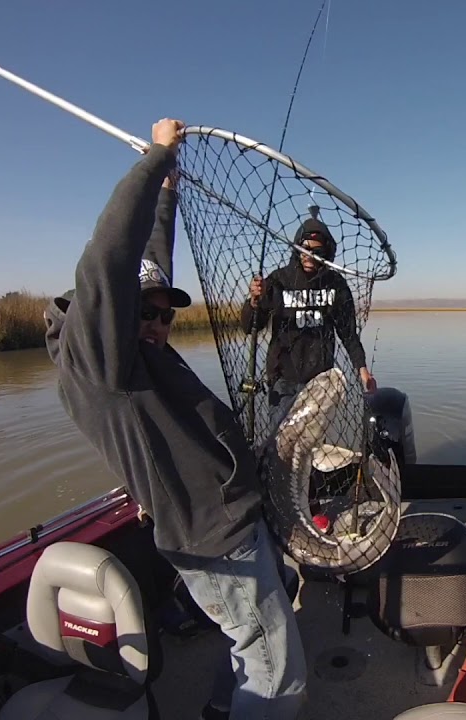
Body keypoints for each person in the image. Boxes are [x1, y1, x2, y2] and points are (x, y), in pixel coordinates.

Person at [42, 118, 307, 720]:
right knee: (277, 676)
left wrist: (168, 194)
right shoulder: (100, 364)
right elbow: (112, 260)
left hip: (227, 519)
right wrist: (154, 159)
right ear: (110, 316)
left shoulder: (140, 350)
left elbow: (147, 267)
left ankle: (221, 704)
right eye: (148, 315)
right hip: (214, 537)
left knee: (252, 641)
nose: (161, 325)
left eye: (166, 315)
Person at [240, 217, 376, 431]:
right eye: (305, 249)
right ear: (297, 248)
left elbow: (348, 334)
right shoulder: (278, 280)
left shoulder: (336, 285)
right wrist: (254, 301)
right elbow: (250, 327)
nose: (310, 256)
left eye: (318, 252)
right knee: (281, 442)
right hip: (282, 379)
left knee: (311, 445)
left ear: (327, 253)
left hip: (320, 382)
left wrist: (362, 369)